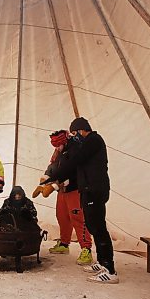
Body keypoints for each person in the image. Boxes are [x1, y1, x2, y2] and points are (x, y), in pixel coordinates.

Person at [44, 118, 118, 284]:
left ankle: (110, 269)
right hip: (87, 191)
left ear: (82, 130)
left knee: (98, 229)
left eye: (75, 133)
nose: (74, 137)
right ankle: (101, 262)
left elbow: (74, 161)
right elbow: (73, 164)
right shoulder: (85, 144)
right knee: (93, 226)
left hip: (95, 190)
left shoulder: (94, 140)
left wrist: (54, 177)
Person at [33, 130, 93, 265]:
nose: (56, 148)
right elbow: (53, 165)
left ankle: (86, 249)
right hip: (62, 191)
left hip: (74, 189)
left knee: (77, 218)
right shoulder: (59, 150)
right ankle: (64, 244)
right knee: (62, 216)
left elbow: (72, 172)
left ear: (64, 142)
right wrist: (46, 178)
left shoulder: (75, 150)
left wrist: (54, 186)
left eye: (58, 146)